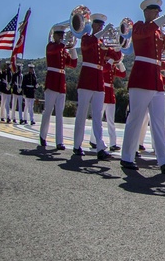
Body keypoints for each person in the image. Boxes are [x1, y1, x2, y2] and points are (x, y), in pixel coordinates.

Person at [120, 0, 165, 173]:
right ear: (146, 12)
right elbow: (147, 30)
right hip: (141, 76)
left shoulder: (159, 33)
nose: (157, 13)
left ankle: (164, 160)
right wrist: (164, 20)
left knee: (158, 121)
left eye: (159, 11)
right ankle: (126, 156)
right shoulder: (140, 27)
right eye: (154, 11)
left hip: (155, 79)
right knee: (136, 118)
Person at [72, 14, 122, 159]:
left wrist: (118, 42)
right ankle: (77, 145)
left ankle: (100, 147)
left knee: (97, 116)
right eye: (98, 25)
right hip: (87, 78)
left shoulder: (103, 43)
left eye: (102, 25)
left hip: (98, 81)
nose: (100, 27)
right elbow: (90, 43)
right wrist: (103, 32)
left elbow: (117, 57)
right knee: (81, 114)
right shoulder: (86, 38)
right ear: (93, 25)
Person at [40, 26, 77, 149]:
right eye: (59, 35)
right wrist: (65, 45)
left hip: (61, 84)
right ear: (54, 35)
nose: (61, 37)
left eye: (62, 35)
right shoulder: (50, 46)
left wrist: (72, 49)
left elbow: (73, 64)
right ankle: (43, 135)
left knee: (60, 113)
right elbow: (54, 50)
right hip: (52, 81)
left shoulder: (62, 50)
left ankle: (59, 141)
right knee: (48, 111)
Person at [102, 57, 125, 151]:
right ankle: (94, 140)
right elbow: (104, 69)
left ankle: (113, 143)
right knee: (98, 118)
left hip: (110, 93)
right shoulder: (104, 64)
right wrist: (111, 60)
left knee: (111, 120)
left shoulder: (112, 66)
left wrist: (120, 63)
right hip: (103, 91)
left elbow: (123, 74)